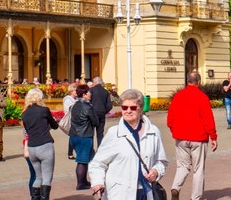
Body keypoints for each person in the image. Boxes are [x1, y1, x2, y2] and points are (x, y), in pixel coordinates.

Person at [89, 89, 168, 200]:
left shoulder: (153, 132)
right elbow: (97, 163)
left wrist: (156, 171)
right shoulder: (114, 133)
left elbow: (161, 161)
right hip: (120, 194)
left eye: (133, 107)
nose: (128, 111)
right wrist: (98, 183)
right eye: (124, 107)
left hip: (146, 193)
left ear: (140, 108)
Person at [167, 71, 218, 200]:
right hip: (198, 138)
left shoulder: (177, 96)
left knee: (182, 166)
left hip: (180, 137)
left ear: (187, 81)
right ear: (199, 82)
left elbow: (170, 119)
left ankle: (175, 187)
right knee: (198, 169)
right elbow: (208, 119)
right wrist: (213, 137)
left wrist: (174, 131)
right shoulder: (202, 97)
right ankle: (195, 197)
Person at [21, 88, 59, 200]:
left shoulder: (25, 114)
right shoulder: (44, 110)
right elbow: (55, 126)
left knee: (38, 177)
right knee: (47, 178)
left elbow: (28, 130)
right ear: (40, 97)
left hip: (32, 147)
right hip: (45, 145)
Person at [70, 84, 99, 190]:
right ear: (84, 94)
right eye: (88, 92)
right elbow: (95, 122)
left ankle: (84, 181)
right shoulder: (88, 106)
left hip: (74, 135)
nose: (90, 94)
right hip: (84, 136)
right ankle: (80, 183)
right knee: (82, 161)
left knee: (83, 159)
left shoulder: (75, 105)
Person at [90, 77, 113, 147]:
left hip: (93, 113)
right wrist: (104, 111)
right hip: (102, 113)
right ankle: (100, 149)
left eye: (93, 82)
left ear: (96, 82)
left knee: (91, 132)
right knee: (100, 133)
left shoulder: (91, 90)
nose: (93, 83)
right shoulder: (105, 91)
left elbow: (88, 102)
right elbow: (109, 106)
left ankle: (91, 150)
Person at [63, 84, 78, 160]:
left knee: (75, 136)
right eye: (75, 90)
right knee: (73, 136)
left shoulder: (77, 99)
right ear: (71, 91)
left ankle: (72, 152)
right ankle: (70, 153)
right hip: (71, 120)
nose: (77, 92)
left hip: (77, 120)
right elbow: (68, 110)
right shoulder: (67, 99)